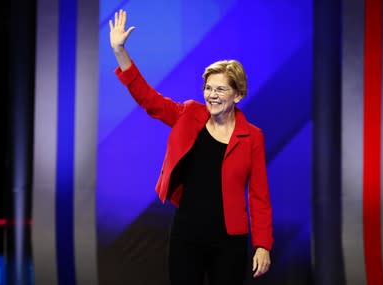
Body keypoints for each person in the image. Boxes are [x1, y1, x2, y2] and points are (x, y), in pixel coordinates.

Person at [109, 9, 273, 285]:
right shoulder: (189, 114)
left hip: (229, 239)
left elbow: (259, 195)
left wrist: (263, 245)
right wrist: (120, 52)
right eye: (209, 88)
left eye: (221, 89)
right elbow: (150, 100)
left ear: (238, 95)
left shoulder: (252, 136)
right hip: (187, 234)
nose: (212, 95)